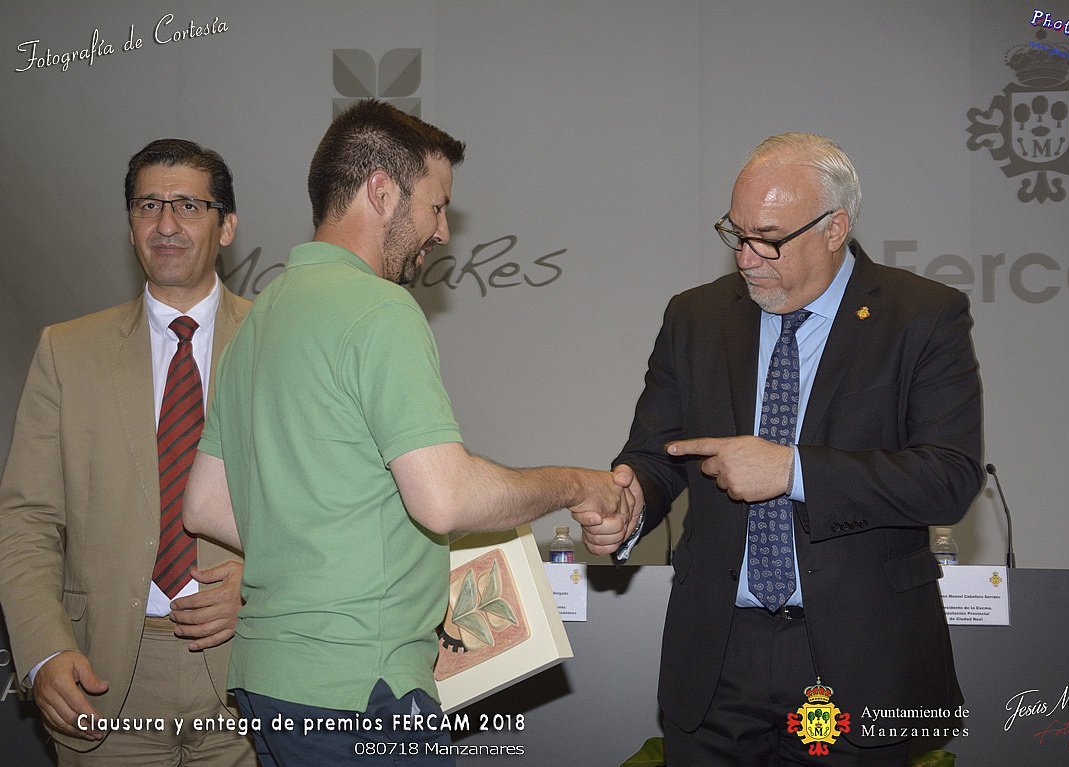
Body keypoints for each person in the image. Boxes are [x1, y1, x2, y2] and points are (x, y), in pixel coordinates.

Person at [182, 100, 633, 766]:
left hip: (267, 684)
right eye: (436, 206)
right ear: (382, 191)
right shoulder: (381, 311)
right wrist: (575, 484)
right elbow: (443, 498)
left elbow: (205, 504)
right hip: (361, 686)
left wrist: (334, 543)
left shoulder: (259, 320)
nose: (442, 230)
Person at [589, 133, 983, 766]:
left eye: (768, 238)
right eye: (735, 233)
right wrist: (630, 502)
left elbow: (949, 477)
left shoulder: (921, 316)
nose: (746, 258)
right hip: (718, 657)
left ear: (834, 229)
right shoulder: (695, 316)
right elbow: (660, 454)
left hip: (858, 655)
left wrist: (793, 470)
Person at [0, 139, 256, 765]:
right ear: (131, 224)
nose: (165, 224)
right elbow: (27, 520)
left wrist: (264, 585)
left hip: (251, 675)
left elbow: (333, 510)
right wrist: (44, 650)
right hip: (103, 681)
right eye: (148, 205)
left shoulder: (282, 343)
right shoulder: (66, 352)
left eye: (188, 205)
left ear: (226, 227)